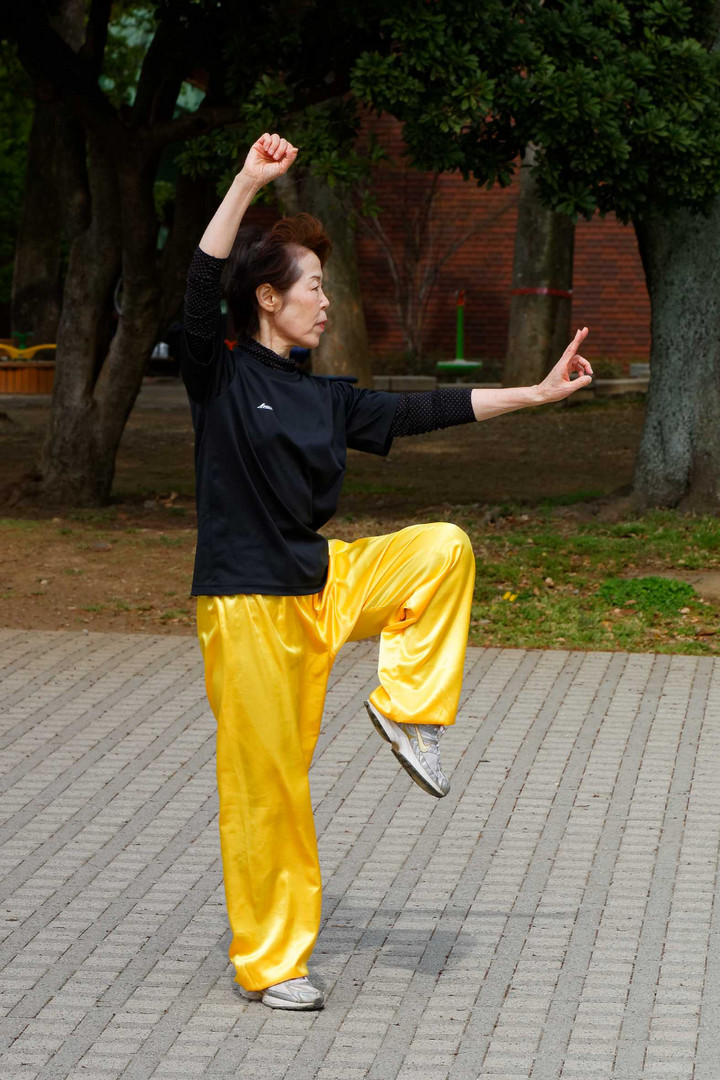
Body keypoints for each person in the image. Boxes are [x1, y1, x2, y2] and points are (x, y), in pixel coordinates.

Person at [179, 132, 593, 1013]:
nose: (325, 302)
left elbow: (428, 408)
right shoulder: (216, 374)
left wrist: (537, 393)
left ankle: (408, 713)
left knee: (442, 546)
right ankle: (272, 960)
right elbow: (197, 282)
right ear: (266, 298)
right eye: (314, 287)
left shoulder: (328, 396)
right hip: (250, 606)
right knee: (270, 792)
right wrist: (248, 181)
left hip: (320, 583)